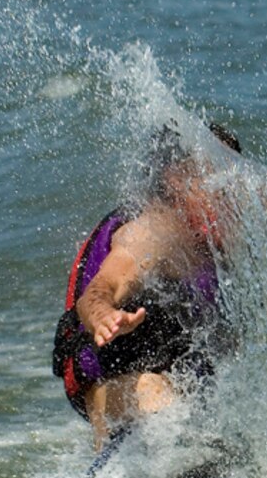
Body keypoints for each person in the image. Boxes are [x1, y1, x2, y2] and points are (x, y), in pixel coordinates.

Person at [51, 122, 245, 453]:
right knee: (167, 408)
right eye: (216, 176)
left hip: (175, 374)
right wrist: (104, 317)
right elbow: (98, 291)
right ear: (176, 178)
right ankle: (107, 474)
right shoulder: (152, 232)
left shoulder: (215, 242)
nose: (230, 188)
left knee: (219, 436)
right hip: (112, 383)